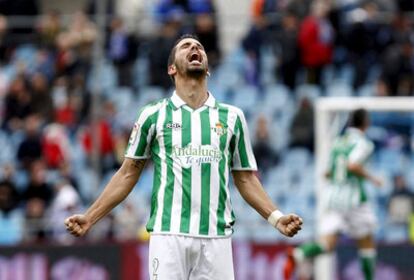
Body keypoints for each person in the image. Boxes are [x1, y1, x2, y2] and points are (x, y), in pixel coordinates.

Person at [65, 34, 303, 279]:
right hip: (169, 235)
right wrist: (90, 217)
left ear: (208, 68)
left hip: (216, 237)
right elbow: (127, 173)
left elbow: (246, 179)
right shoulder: (153, 115)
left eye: (199, 46)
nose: (195, 48)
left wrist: (276, 218)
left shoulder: (232, 117)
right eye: (186, 46)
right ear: (172, 68)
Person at [283, 108, 382, 280]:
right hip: (354, 199)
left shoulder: (338, 142)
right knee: (367, 241)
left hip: (332, 197)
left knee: (326, 244)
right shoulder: (364, 143)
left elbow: (327, 173)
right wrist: (373, 178)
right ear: (366, 123)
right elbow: (352, 165)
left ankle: (299, 253)